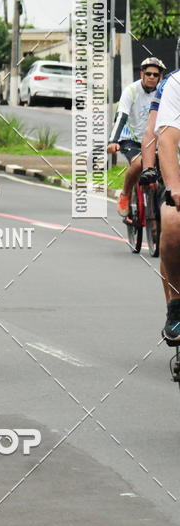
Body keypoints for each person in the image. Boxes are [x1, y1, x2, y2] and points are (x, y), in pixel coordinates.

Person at [107, 57, 165, 217]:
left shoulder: (163, 92)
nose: (152, 77)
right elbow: (121, 116)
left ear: (160, 77)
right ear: (142, 74)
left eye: (155, 74)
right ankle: (125, 194)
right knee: (140, 163)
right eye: (148, 74)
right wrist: (113, 141)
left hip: (154, 140)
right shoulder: (130, 91)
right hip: (130, 139)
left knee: (169, 165)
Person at [152, 71, 180, 342]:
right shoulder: (175, 84)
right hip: (179, 176)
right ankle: (176, 307)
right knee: (172, 224)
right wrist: (174, 188)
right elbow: (167, 138)